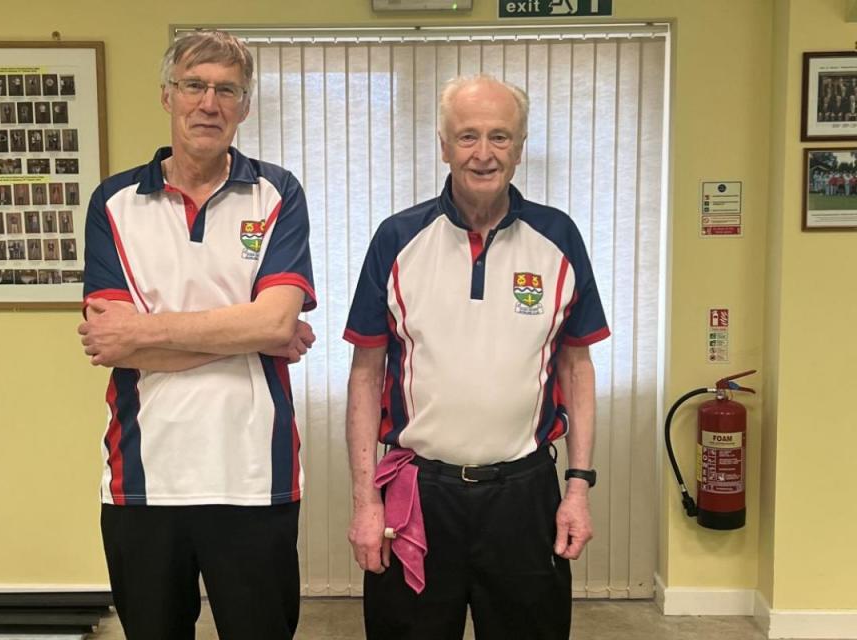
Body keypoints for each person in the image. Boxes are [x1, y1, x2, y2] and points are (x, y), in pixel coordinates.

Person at [344, 74, 610, 640]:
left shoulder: (558, 238)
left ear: (520, 144)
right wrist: (366, 500)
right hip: (416, 497)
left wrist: (578, 489)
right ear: (443, 145)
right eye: (467, 137)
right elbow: (366, 377)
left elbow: (576, 367)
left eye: (500, 136)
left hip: (524, 498)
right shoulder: (397, 240)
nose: (484, 154)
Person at [77, 30, 316, 640]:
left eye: (226, 90)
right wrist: (249, 331)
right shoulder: (114, 203)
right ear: (167, 96)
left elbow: (276, 321)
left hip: (254, 476)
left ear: (244, 105)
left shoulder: (277, 193)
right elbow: (112, 343)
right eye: (195, 86)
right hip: (144, 481)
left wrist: (149, 330)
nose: (209, 103)